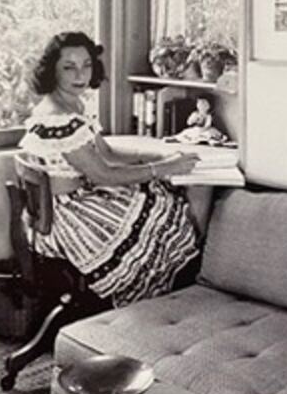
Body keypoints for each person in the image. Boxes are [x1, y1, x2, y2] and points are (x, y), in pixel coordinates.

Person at [18, 32, 202, 307]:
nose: (80, 74)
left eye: (87, 65)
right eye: (69, 67)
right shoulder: (58, 119)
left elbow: (106, 153)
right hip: (70, 219)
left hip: (58, 208)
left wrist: (161, 156)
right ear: (52, 71)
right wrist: (162, 167)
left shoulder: (72, 105)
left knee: (158, 191)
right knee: (164, 205)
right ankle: (169, 292)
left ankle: (171, 286)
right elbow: (103, 174)